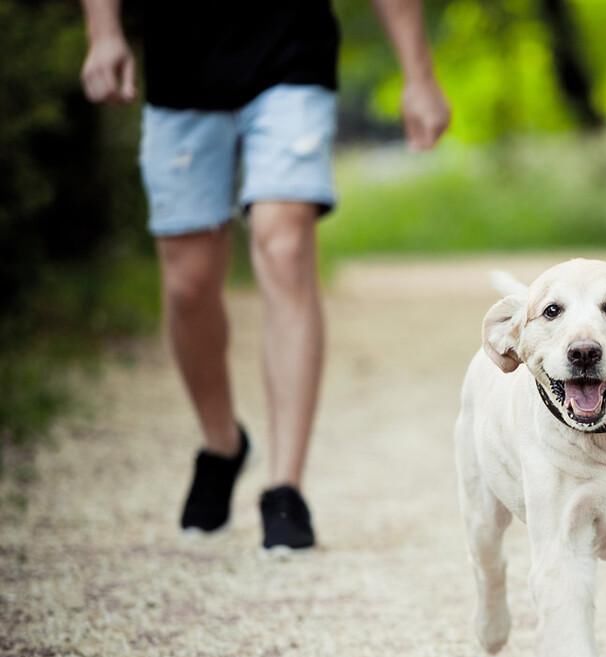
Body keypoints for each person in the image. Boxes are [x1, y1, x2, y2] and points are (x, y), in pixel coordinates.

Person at [79, 0, 450, 552]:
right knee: (188, 280)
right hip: (180, 70)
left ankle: (285, 487)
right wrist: (103, 31)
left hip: (292, 59)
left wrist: (418, 75)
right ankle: (223, 444)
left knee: (284, 244)